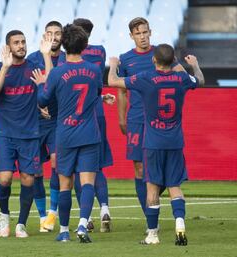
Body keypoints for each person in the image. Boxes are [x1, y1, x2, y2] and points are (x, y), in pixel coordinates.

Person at [108, 44, 205, 245]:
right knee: (174, 186)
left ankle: (152, 234)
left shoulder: (146, 79)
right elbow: (201, 81)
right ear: (173, 62)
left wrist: (113, 65)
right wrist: (194, 65)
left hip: (153, 142)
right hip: (175, 141)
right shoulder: (182, 79)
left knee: (152, 188)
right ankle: (180, 225)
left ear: (154, 60)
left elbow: (113, 81)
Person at [32, 24, 102, 243]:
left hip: (65, 134)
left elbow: (43, 101)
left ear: (63, 44)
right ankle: (83, 225)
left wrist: (43, 84)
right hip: (90, 133)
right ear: (85, 45)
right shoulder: (95, 70)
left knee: (65, 185)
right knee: (88, 183)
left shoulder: (58, 72)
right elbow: (98, 92)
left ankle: (63, 230)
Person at [117, 17, 184, 229]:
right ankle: (150, 219)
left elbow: (182, 75)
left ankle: (153, 207)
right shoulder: (126, 59)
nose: (142, 37)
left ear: (150, 32)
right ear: (131, 36)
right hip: (137, 118)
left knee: (160, 173)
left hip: (160, 121)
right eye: (138, 33)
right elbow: (122, 91)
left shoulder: (163, 55)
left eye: (145, 32)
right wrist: (121, 117)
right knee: (138, 167)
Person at [0, 30, 52, 238]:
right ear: (8, 47)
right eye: (16, 42)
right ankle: (4, 215)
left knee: (28, 179)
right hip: (5, 133)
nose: (21, 45)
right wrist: (5, 67)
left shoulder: (33, 67)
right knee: (5, 178)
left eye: (23, 42)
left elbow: (50, 82)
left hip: (30, 133)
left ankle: (21, 224)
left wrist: (47, 55)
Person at [72, 18, 115, 233]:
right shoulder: (100, 52)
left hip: (75, 119)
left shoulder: (69, 57)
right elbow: (96, 87)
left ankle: (85, 216)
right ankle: (105, 208)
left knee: (80, 169)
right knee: (96, 167)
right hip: (97, 114)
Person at [27, 21, 65, 232]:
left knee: (56, 165)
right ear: (44, 35)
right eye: (49, 33)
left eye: (57, 33)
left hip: (57, 120)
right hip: (34, 122)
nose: (53, 37)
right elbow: (25, 87)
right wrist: (37, 104)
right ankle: (42, 217)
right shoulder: (32, 58)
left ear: (62, 36)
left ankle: (52, 213)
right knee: (36, 173)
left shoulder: (69, 59)